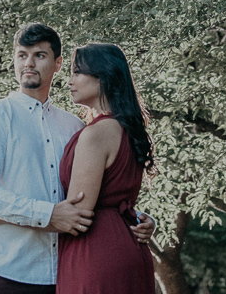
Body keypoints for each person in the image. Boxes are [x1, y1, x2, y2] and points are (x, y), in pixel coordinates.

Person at [0, 23, 155, 294]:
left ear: (57, 64)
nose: (29, 63)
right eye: (22, 55)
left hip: (61, 273)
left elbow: (99, 195)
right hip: (7, 270)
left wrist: (138, 219)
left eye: (39, 55)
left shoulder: (74, 127)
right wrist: (47, 215)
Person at [56, 41, 157, 294]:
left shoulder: (95, 134)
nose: (69, 81)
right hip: (129, 246)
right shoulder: (127, 128)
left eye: (77, 72)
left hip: (95, 253)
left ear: (103, 77)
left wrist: (11, 218)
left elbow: (77, 213)